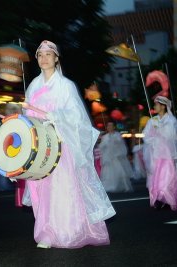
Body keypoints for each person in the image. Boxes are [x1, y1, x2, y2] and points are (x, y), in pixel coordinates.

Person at [22, 40, 115, 249]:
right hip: (41, 147)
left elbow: (77, 117)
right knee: (41, 189)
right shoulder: (34, 86)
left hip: (61, 145)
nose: (44, 58)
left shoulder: (66, 86)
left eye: (49, 54)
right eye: (40, 54)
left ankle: (68, 231)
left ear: (56, 58)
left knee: (62, 189)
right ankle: (47, 232)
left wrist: (54, 116)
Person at [142, 96, 177, 211]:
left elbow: (173, 137)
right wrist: (154, 134)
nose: (154, 107)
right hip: (157, 154)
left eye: (156, 104)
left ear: (163, 106)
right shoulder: (152, 120)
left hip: (169, 154)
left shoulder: (171, 121)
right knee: (156, 178)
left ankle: (169, 199)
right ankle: (159, 198)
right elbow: (146, 136)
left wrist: (160, 130)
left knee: (168, 177)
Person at [99, 121, 134, 192]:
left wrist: (115, 142)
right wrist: (105, 143)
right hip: (108, 158)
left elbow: (121, 145)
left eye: (111, 125)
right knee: (109, 173)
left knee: (120, 171)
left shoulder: (118, 135)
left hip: (117, 156)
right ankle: (110, 186)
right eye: (108, 126)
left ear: (114, 127)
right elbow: (101, 147)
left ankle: (124, 186)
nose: (109, 127)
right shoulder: (105, 137)